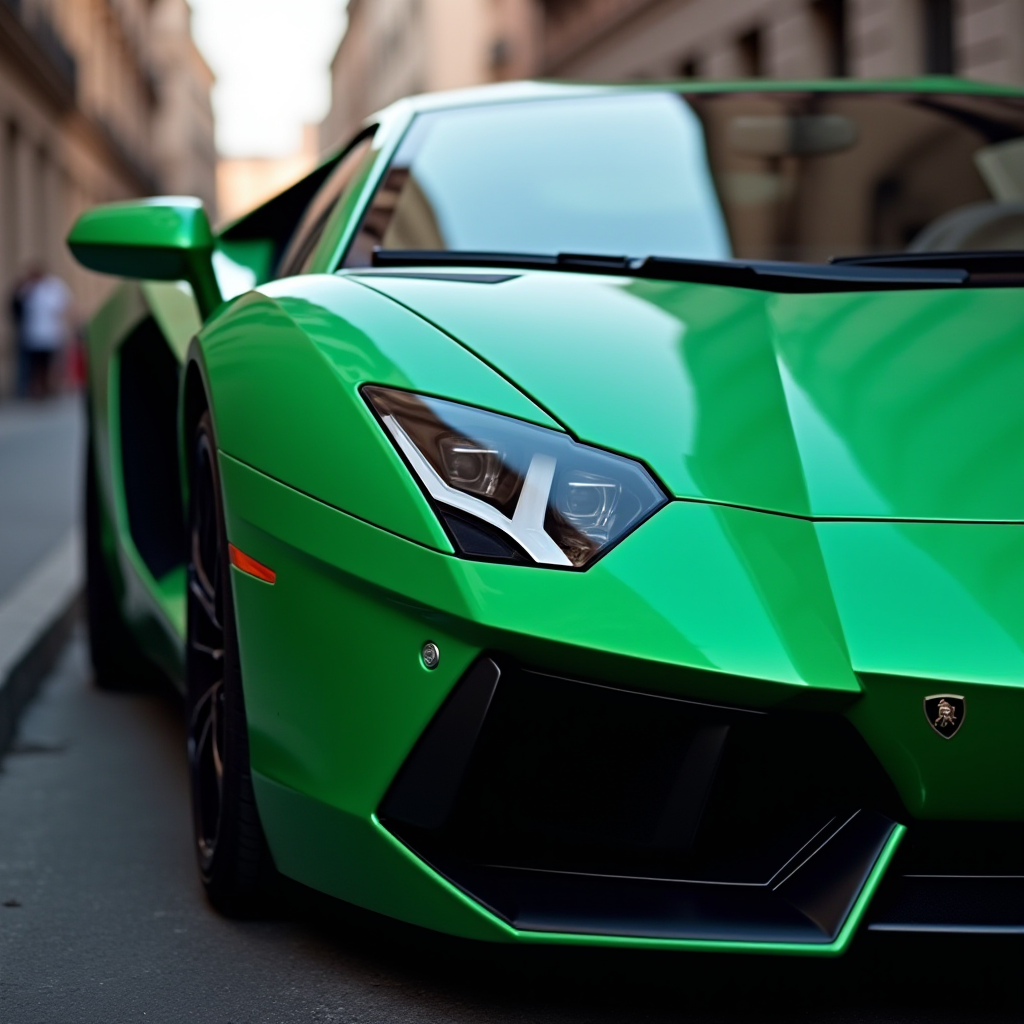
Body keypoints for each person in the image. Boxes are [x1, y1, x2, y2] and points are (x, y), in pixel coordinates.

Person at [19, 266, 72, 399]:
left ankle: (49, 386)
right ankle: (37, 389)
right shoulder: (28, 288)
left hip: (50, 333)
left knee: (49, 363)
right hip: (32, 334)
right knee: (35, 364)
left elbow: (63, 306)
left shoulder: (53, 286)